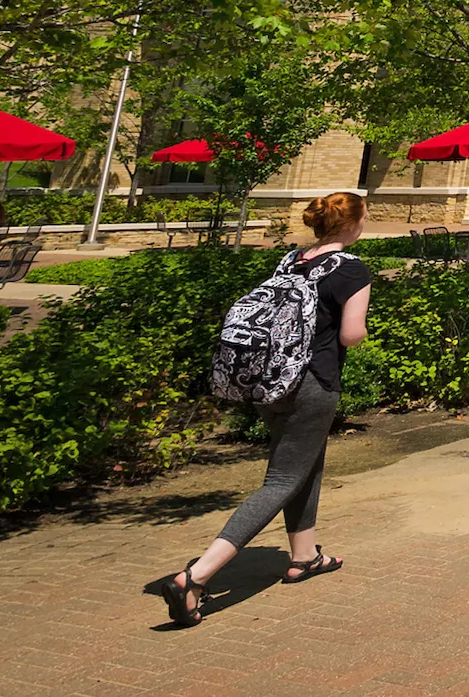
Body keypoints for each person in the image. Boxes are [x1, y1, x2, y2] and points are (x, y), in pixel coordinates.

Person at [156, 192, 374, 628]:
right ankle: (196, 577)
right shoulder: (352, 269)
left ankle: (304, 556)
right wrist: (360, 327)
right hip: (312, 383)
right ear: (351, 225)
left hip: (267, 381)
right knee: (281, 479)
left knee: (304, 466)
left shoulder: (291, 261)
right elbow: (351, 335)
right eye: (364, 216)